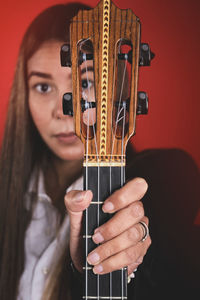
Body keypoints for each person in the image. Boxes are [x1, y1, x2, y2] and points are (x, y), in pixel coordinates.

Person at [0, 2, 199, 300]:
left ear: (117, 88)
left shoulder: (161, 177)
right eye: (43, 87)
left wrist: (131, 245)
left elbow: (162, 218)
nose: (63, 110)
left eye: (85, 82)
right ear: (23, 96)